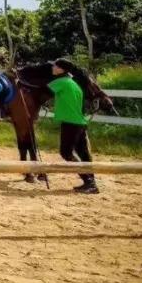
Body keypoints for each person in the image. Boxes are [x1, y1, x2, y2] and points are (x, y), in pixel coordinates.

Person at [49, 58, 98, 194]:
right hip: (80, 122)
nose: (52, 68)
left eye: (55, 66)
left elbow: (44, 90)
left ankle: (88, 181)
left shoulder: (61, 82)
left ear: (61, 69)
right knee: (83, 153)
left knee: (66, 153)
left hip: (70, 123)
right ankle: (91, 182)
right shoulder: (73, 83)